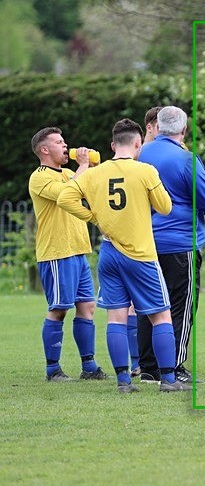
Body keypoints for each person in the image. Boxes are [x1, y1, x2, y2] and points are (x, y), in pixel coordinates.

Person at [57, 119, 189, 392]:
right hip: (140, 253)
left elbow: (65, 199)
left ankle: (123, 381)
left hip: (109, 251)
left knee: (116, 317)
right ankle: (168, 379)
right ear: (139, 144)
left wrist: (93, 216)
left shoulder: (95, 174)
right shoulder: (145, 171)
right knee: (161, 316)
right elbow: (164, 207)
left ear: (113, 145)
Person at [137, 106, 205, 384]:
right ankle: (173, 366)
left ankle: (148, 367)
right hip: (181, 242)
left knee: (149, 305)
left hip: (146, 242)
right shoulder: (187, 159)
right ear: (184, 130)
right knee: (181, 306)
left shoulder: (142, 154)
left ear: (157, 127)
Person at [28, 128, 106, 382]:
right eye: (59, 142)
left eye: (64, 141)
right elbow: (67, 194)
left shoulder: (70, 173)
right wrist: (83, 165)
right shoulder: (39, 178)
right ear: (44, 150)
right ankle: (53, 370)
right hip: (56, 252)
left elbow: (95, 182)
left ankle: (89, 367)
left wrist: (92, 162)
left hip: (79, 249)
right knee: (60, 308)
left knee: (87, 307)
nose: (65, 146)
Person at [126, 105, 162, 378]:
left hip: (156, 236)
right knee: (134, 304)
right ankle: (139, 361)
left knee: (148, 303)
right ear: (149, 127)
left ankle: (147, 362)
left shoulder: (166, 152)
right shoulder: (137, 158)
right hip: (138, 237)